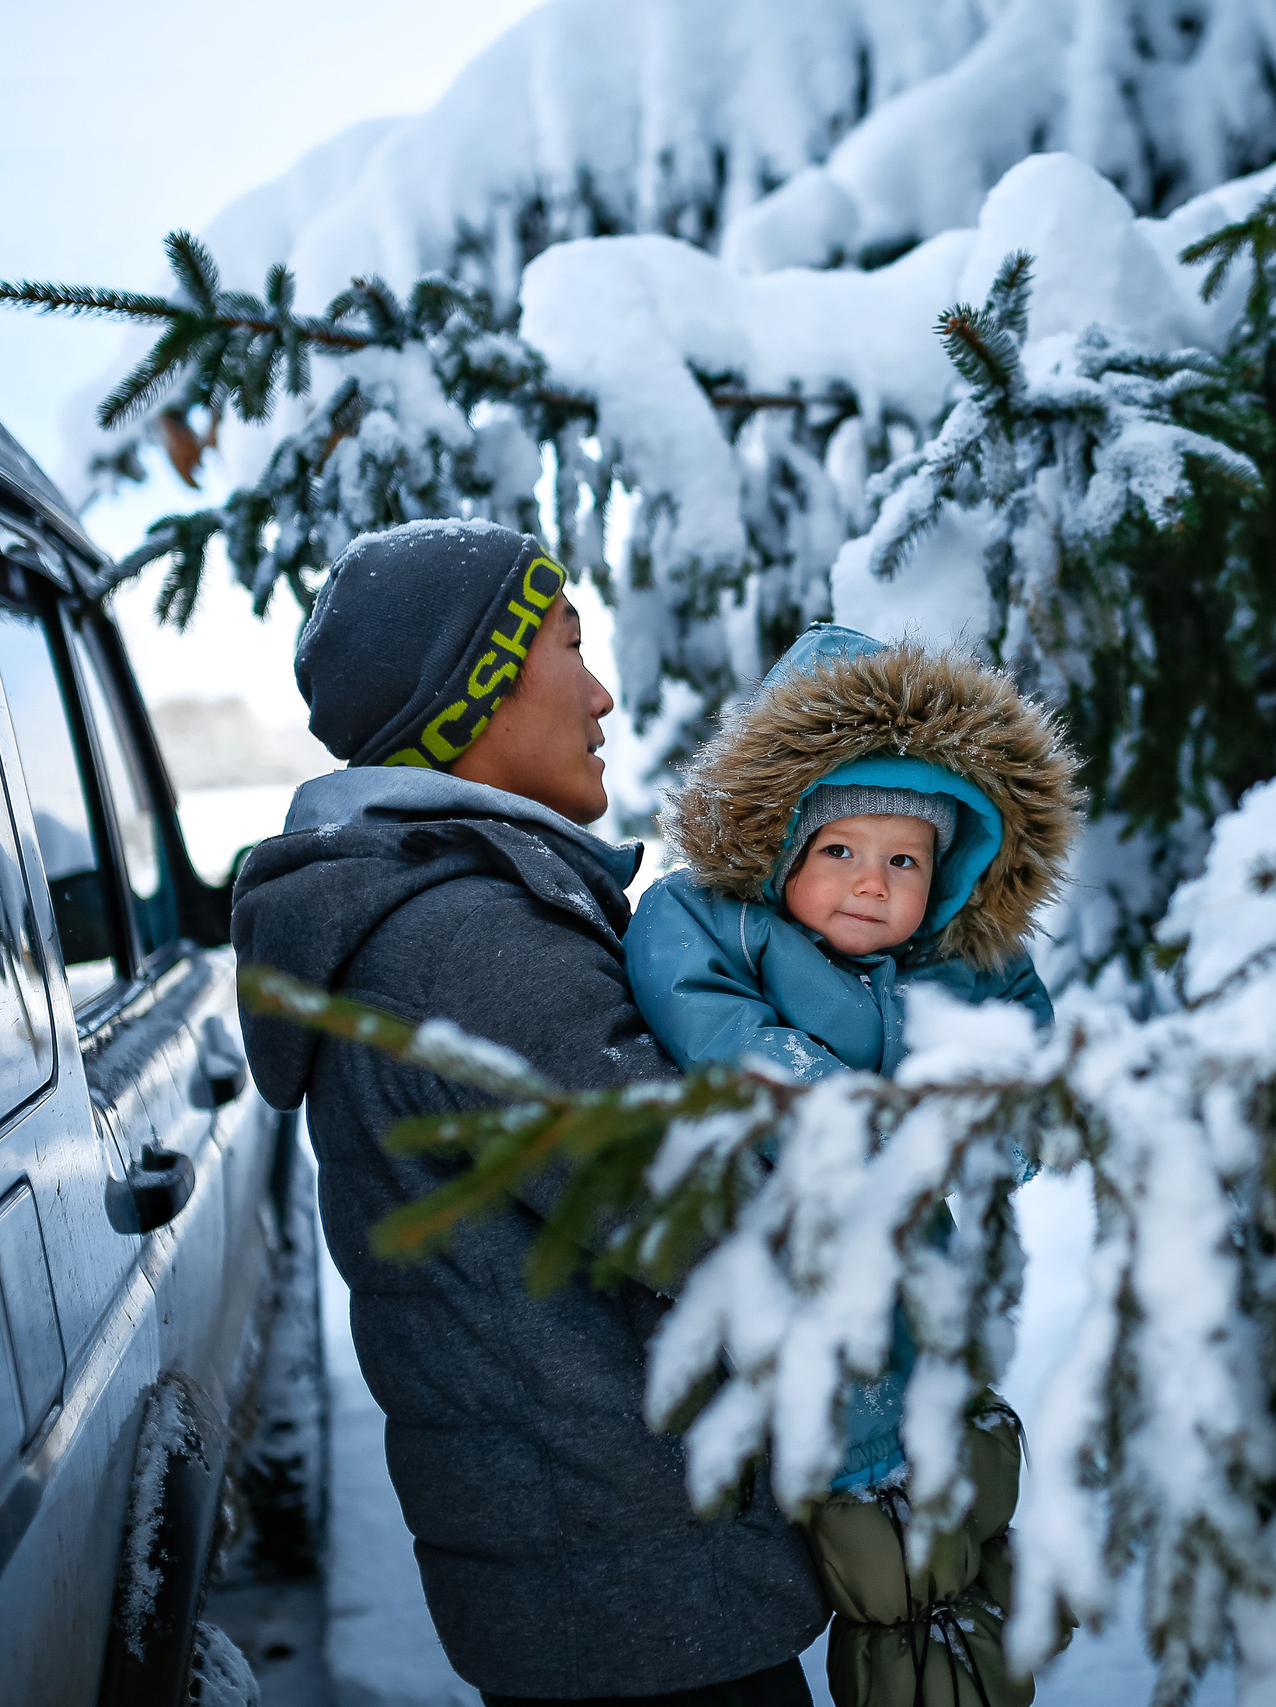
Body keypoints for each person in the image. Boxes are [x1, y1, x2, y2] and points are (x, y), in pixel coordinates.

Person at [230, 521, 826, 1707]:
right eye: (569, 646)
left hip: (590, 1582)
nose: (602, 694)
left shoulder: (436, 907)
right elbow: (706, 1208)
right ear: (475, 691)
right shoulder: (468, 938)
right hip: (644, 1603)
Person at [625, 623, 1084, 1706]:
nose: (871, 885)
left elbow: (1019, 1067)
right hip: (793, 1300)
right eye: (838, 850)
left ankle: (982, 1656)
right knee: (877, 1563)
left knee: (967, 1503)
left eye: (904, 860)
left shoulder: (964, 965)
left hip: (925, 1302)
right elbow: (718, 1035)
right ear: (776, 841)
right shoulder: (707, 921)